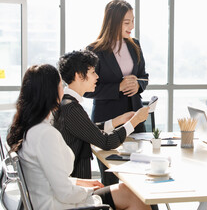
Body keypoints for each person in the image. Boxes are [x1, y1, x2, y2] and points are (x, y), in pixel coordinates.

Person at [6, 64, 151, 210]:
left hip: (53, 199)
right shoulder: (46, 134)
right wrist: (90, 190)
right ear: (51, 92)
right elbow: (64, 193)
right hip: (61, 205)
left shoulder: (31, 129)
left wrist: (82, 182)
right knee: (135, 197)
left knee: (129, 192)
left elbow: (51, 178)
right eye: (60, 86)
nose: (63, 89)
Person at [54, 50, 148, 180]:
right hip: (77, 189)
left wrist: (118, 120)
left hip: (76, 185)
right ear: (79, 76)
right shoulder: (71, 108)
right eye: (93, 72)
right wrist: (135, 121)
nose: (97, 76)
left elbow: (89, 129)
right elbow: (107, 142)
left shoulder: (67, 103)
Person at [84, 0, 149, 185]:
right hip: (108, 122)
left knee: (141, 177)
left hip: (135, 120)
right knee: (112, 177)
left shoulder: (134, 45)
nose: (132, 26)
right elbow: (86, 90)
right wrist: (117, 87)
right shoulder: (94, 50)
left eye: (133, 21)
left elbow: (144, 76)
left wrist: (138, 85)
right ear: (113, 22)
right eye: (127, 22)